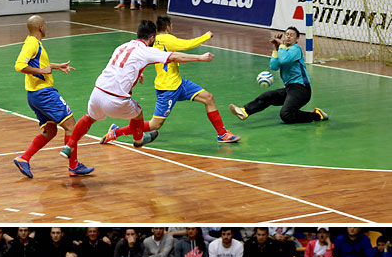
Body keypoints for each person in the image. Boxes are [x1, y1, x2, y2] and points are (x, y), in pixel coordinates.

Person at [64, 20, 214, 174]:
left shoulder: (123, 46)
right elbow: (175, 57)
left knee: (89, 117)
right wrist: (200, 57)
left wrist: (137, 72)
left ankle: (69, 146)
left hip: (98, 91)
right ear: (151, 38)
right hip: (116, 99)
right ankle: (138, 140)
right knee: (138, 113)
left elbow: (119, 66)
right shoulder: (146, 51)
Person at [112, 15, 237, 149]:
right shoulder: (168, 39)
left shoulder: (153, 41)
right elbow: (187, 45)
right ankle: (116, 132)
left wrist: (139, 72)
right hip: (167, 89)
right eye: (171, 26)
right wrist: (206, 36)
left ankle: (223, 134)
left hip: (179, 83)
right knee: (155, 124)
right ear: (167, 27)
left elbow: (145, 58)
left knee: (208, 98)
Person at [13, 15, 94, 181]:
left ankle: (24, 159)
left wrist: (56, 66)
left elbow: (39, 65)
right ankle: (74, 166)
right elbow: (19, 65)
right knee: (71, 126)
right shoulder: (32, 44)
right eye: (46, 25)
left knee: (50, 131)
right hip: (44, 94)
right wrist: (42, 72)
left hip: (34, 95)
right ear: (41, 27)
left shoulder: (33, 43)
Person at [231, 25, 328, 126]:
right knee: (267, 96)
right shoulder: (283, 50)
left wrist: (281, 44)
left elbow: (284, 60)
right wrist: (276, 48)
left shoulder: (296, 49)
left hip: (301, 89)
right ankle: (245, 111)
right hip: (290, 89)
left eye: (292, 35)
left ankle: (317, 115)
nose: (288, 37)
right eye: (286, 34)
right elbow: (274, 66)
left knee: (286, 114)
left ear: (297, 39)